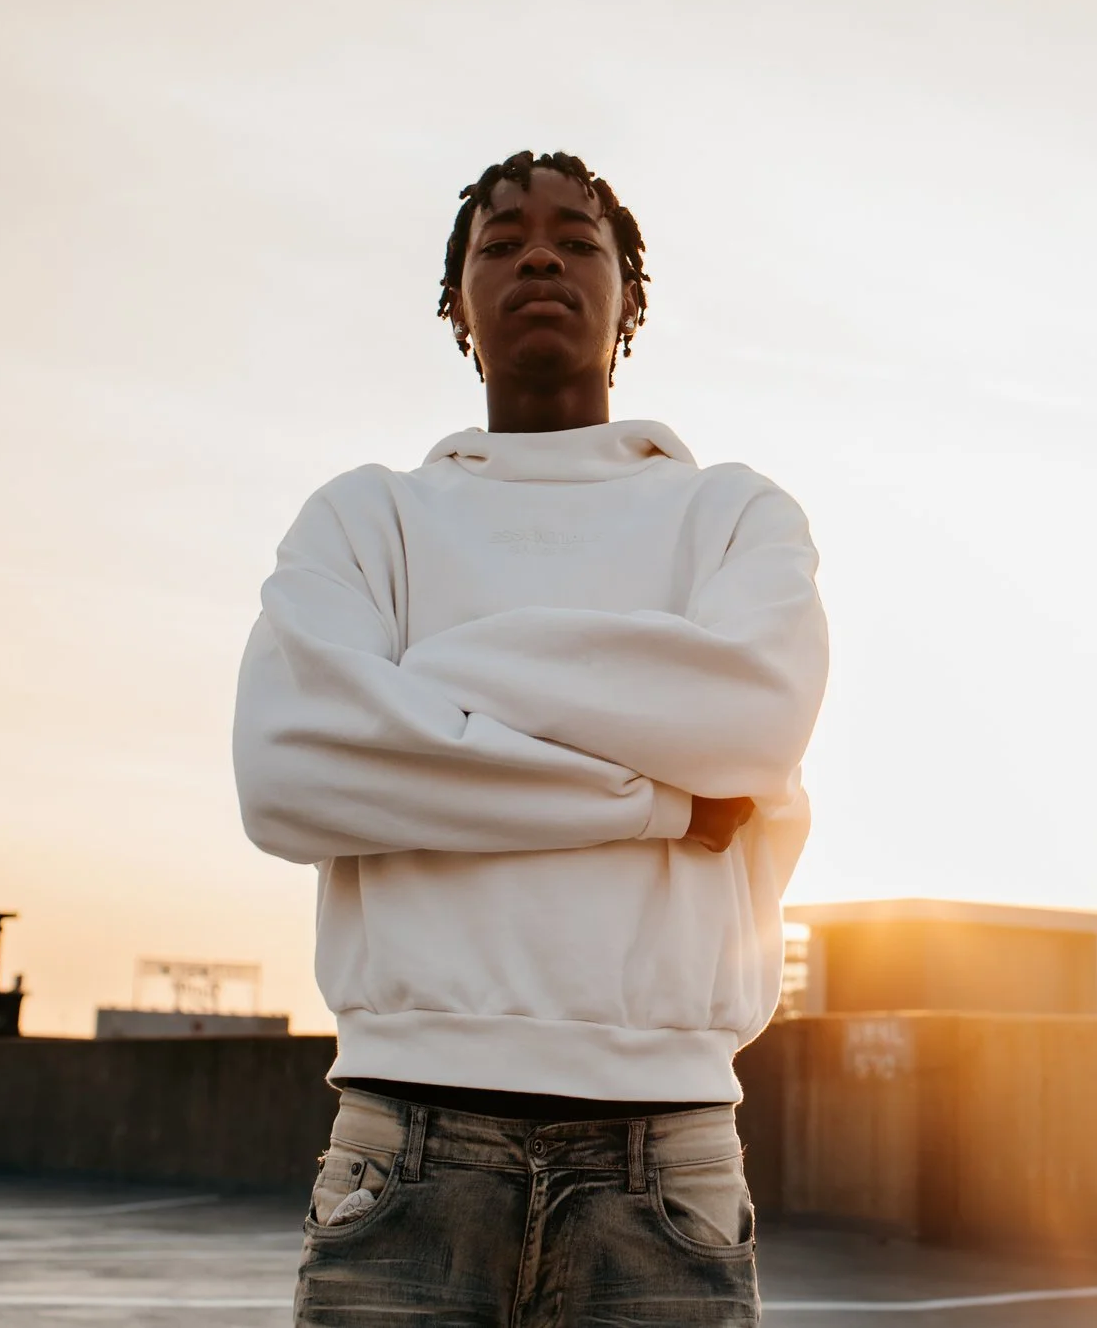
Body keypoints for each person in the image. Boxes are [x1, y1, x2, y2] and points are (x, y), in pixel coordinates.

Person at [234, 150, 827, 1325]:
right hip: (402, 1141)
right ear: (458, 306)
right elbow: (288, 772)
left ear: (629, 299)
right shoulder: (370, 514)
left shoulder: (732, 514)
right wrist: (654, 800)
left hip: (664, 1155)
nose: (539, 255)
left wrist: (433, 680)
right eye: (499, 243)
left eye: (577, 239)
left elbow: (748, 720)